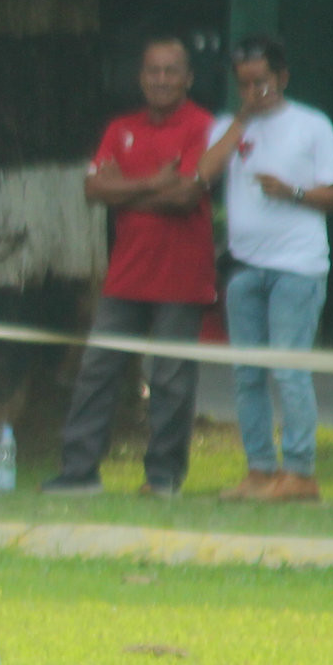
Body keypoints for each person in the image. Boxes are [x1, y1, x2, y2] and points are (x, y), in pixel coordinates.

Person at [44, 37, 216, 498]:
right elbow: (93, 190)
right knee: (97, 370)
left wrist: (125, 189)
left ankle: (163, 478)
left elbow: (186, 196)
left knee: (171, 380)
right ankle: (79, 472)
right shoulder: (120, 127)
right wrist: (156, 181)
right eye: (153, 71)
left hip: (181, 274)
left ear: (188, 78)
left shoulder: (203, 127)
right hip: (126, 272)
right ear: (140, 78)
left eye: (171, 71)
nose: (161, 80)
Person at [196, 35, 333, 503]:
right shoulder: (229, 126)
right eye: (244, 84)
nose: (253, 91)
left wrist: (292, 192)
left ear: (282, 77)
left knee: (288, 370)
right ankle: (259, 469)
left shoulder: (312, 126)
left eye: (261, 82)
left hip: (297, 267)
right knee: (247, 374)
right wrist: (242, 120)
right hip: (245, 267)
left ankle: (300, 471)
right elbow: (203, 173)